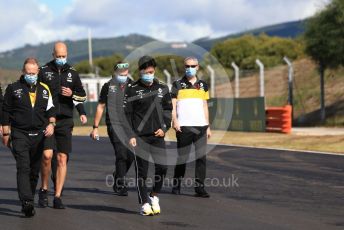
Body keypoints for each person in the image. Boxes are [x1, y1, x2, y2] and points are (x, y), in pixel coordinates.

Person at [1, 58, 56, 217]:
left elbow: (51, 110)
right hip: (20, 133)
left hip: (39, 135)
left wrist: (51, 124)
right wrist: (5, 132)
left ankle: (29, 198)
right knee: (23, 167)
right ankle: (26, 201)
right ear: (23, 72)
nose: (31, 75)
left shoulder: (45, 89)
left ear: (38, 72)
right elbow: (6, 110)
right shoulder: (13, 88)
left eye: (33, 73)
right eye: (28, 73)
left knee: (33, 170)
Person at [37, 42, 87, 209]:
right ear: (53, 55)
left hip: (65, 120)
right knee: (47, 156)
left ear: (67, 55)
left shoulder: (73, 73)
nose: (61, 59)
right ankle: (44, 189)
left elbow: (82, 96)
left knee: (62, 158)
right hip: (47, 120)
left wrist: (81, 110)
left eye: (63, 56)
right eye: (58, 56)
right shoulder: (43, 71)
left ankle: (57, 196)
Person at [125, 55, 172, 216]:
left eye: (151, 71)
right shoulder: (131, 89)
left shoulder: (162, 88)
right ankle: (144, 203)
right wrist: (131, 135)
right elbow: (127, 115)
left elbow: (168, 110)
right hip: (140, 137)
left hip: (158, 135)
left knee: (163, 167)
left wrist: (165, 128)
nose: (149, 74)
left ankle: (154, 196)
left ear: (154, 71)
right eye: (146, 72)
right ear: (140, 71)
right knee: (142, 172)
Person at [90, 61, 134, 196]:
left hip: (130, 126)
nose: (124, 74)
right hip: (114, 124)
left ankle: (118, 174)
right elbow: (100, 106)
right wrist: (95, 127)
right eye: (121, 72)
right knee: (121, 154)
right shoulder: (108, 86)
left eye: (126, 72)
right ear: (115, 72)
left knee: (131, 156)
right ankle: (121, 184)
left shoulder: (133, 85)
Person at [171, 57, 211, 198]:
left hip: (201, 126)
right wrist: (175, 120)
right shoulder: (177, 84)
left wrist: (208, 126)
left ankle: (200, 188)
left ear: (197, 67)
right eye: (187, 66)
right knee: (183, 158)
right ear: (184, 67)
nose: (190, 68)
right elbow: (173, 105)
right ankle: (176, 185)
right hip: (184, 127)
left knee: (201, 158)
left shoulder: (203, 85)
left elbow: (205, 106)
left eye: (193, 66)